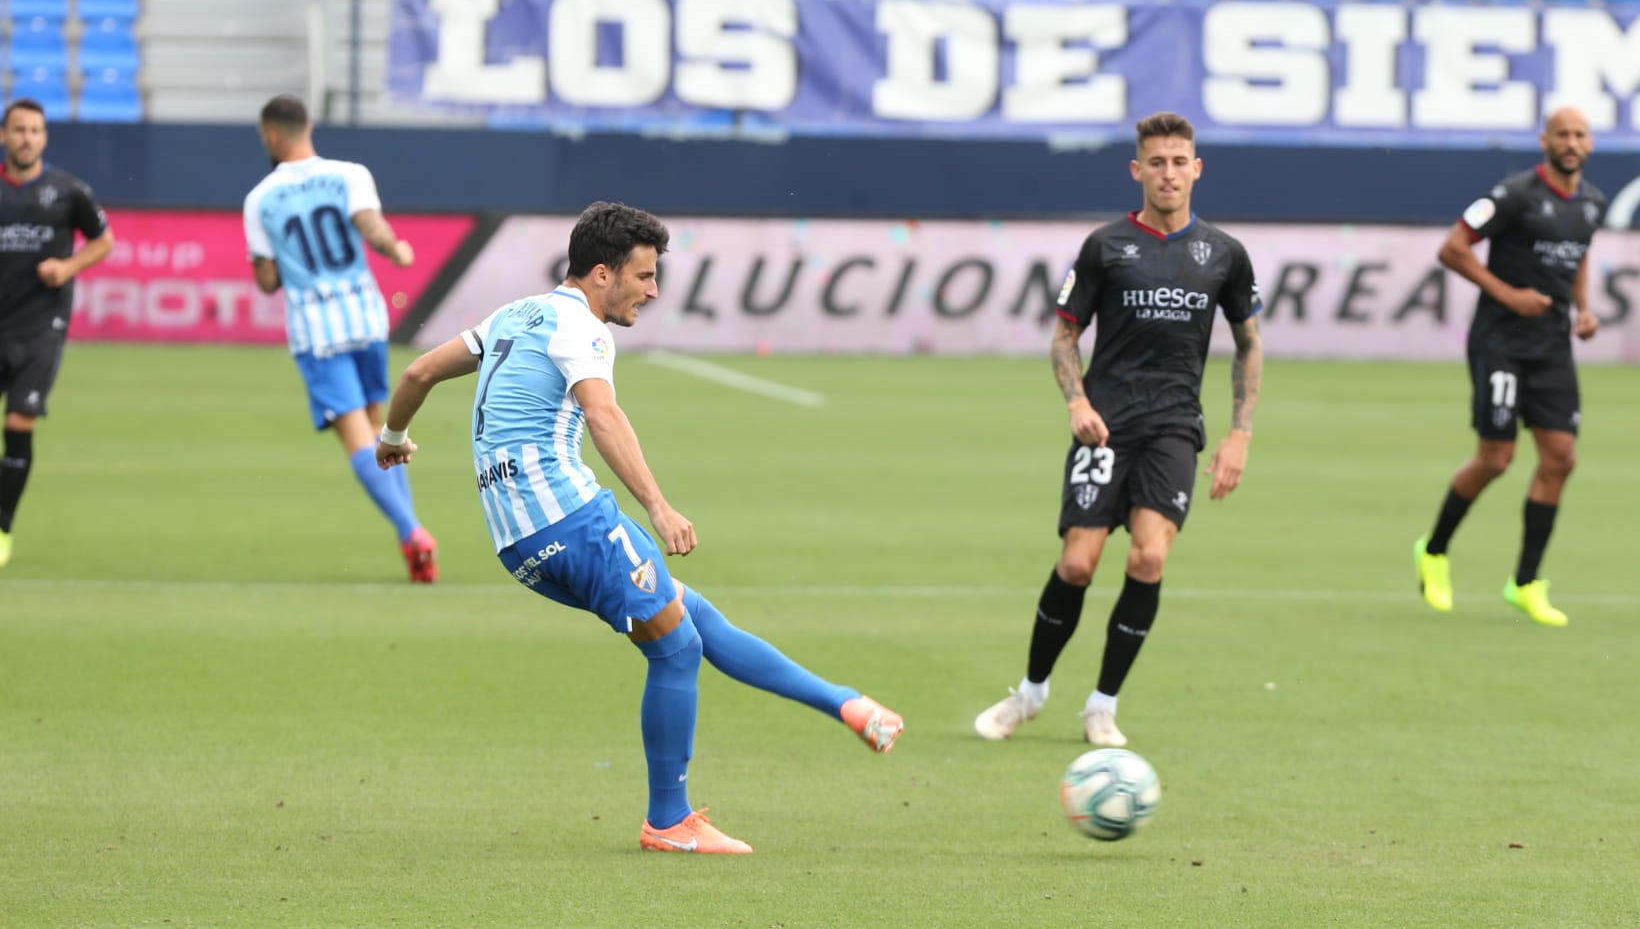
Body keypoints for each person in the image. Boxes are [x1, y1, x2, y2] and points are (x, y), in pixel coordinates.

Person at [374, 201, 903, 855]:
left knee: (688, 612)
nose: (652, 291)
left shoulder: (514, 314)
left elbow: (417, 370)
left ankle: (846, 704)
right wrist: (658, 503)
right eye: (644, 275)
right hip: (570, 518)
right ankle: (669, 819)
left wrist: (392, 437)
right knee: (675, 647)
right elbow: (602, 413)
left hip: (519, 541)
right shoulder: (583, 328)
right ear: (603, 273)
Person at [974, 111, 1263, 748]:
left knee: (1150, 555)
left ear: (1197, 168)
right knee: (1078, 563)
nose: (1168, 173)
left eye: (1179, 161)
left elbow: (1249, 344)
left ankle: (1101, 706)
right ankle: (1031, 692)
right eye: (1156, 162)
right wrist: (1076, 402)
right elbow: (1064, 337)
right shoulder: (1105, 246)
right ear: (1138, 170)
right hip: (1103, 426)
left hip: (1174, 427)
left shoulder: (1224, 254)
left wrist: (1240, 433)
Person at [1413, 106, 1605, 628]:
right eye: (1561, 134)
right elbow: (1453, 249)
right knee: (1496, 458)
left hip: (1552, 348)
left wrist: (1583, 309)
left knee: (1561, 458)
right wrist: (1508, 296)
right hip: (1500, 341)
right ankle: (1433, 550)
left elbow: (1580, 255)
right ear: (1545, 139)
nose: (1571, 142)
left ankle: (1525, 583)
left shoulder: (1592, 203)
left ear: (1590, 143)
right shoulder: (1514, 194)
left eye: (1579, 134)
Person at [243, 95, 436, 581]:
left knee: (355, 435)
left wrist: (280, 263)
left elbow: (267, 281)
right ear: (309, 126)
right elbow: (372, 229)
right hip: (366, 317)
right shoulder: (350, 174)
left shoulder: (260, 198)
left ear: (270, 135)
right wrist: (398, 249)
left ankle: (411, 529)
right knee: (382, 430)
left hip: (316, 328)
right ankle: (409, 540)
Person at [0, 99, 115, 567]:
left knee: (19, 424)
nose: (27, 138)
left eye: (35, 131)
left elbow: (104, 241)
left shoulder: (69, 192)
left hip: (39, 328)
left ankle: (2, 528)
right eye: (18, 130)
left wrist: (67, 267)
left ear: (44, 138)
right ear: (4, 136)